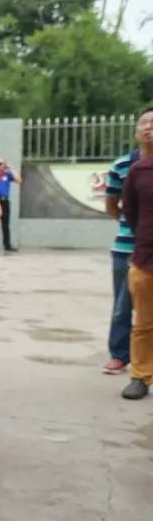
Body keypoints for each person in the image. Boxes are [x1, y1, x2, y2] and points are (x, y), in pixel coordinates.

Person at [104, 108, 153, 375]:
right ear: (136, 131)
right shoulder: (124, 165)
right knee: (123, 305)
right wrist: (132, 226)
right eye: (143, 123)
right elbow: (113, 204)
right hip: (127, 247)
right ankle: (120, 354)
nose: (148, 128)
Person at [119, 106, 153, 400]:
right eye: (145, 122)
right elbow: (129, 211)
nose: (150, 127)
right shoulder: (138, 171)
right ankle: (140, 377)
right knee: (143, 323)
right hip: (145, 260)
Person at [0, 160, 19, 252]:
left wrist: (10, 168)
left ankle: (7, 245)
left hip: (4, 201)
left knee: (6, 225)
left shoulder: (7, 174)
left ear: (4, 165)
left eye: (0, 164)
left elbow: (19, 180)